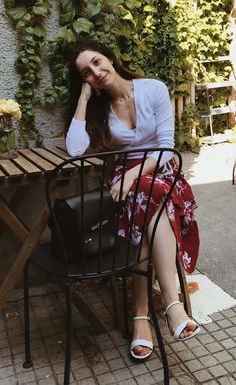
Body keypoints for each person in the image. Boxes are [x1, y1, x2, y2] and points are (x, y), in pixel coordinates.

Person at [65, 39, 200, 361]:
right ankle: (171, 305)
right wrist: (84, 99)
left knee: (151, 197)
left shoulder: (153, 89)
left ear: (110, 58)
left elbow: (166, 146)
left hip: (160, 170)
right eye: (86, 72)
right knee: (152, 201)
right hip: (127, 182)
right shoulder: (100, 107)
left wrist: (134, 174)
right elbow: (74, 148)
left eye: (97, 62)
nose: (95, 72)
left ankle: (141, 313)